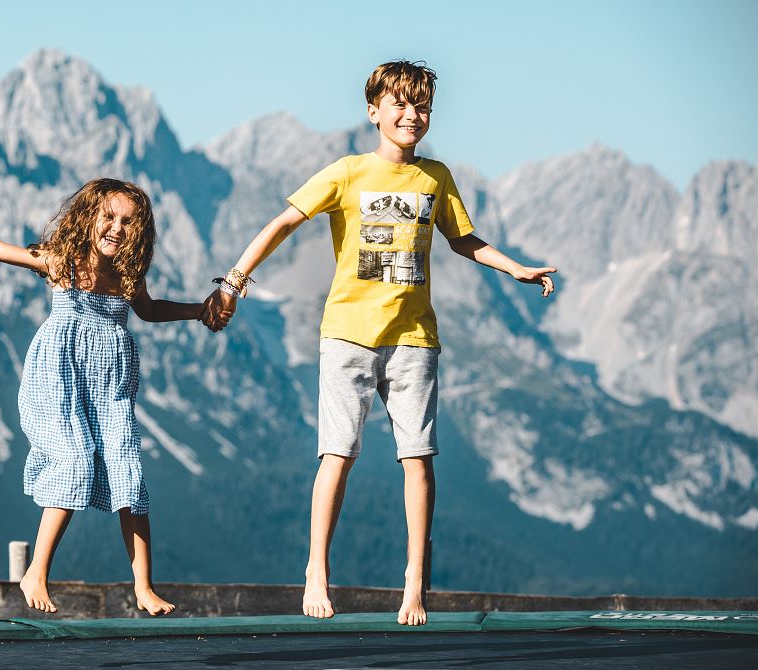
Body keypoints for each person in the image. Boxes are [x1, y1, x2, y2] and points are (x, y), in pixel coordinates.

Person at [202, 61, 556, 625]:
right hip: (347, 337)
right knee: (336, 454)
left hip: (415, 339)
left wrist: (514, 269)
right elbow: (282, 223)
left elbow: (464, 240)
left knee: (418, 461)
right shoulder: (346, 173)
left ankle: (415, 582)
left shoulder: (435, 178)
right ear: (374, 111)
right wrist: (234, 281)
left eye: (422, 107)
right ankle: (317, 568)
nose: (411, 115)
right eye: (400, 105)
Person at [0, 178, 208, 616]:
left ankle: (144, 587)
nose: (117, 228)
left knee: (128, 471)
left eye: (128, 222)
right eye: (109, 217)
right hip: (59, 375)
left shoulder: (129, 277)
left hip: (111, 382)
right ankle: (36, 570)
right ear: (89, 219)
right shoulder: (64, 262)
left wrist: (198, 310)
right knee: (75, 458)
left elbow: (150, 311)